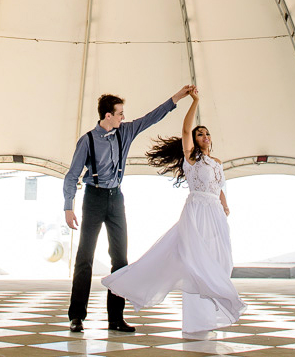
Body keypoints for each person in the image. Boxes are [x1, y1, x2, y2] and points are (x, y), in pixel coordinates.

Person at [101, 88, 245, 334]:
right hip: (197, 211)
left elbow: (219, 186)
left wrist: (225, 204)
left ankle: (212, 311)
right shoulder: (191, 159)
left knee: (221, 261)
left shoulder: (217, 162)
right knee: (196, 262)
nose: (204, 136)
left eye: (207, 133)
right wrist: (194, 102)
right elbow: (186, 130)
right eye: (201, 134)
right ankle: (142, 286)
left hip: (216, 214)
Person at [64, 85, 194, 333]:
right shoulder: (88, 140)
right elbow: (72, 176)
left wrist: (177, 97)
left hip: (116, 199)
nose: (124, 117)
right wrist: (68, 207)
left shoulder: (125, 132)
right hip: (93, 198)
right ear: (107, 115)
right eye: (120, 113)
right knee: (84, 258)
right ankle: (77, 316)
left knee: (121, 260)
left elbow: (152, 117)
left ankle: (116, 319)